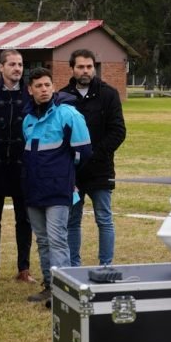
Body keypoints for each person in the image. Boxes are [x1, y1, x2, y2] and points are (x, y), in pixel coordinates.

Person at [23, 67, 92, 305]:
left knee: (57, 239)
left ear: (53, 87)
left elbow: (83, 153)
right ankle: (49, 285)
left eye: (47, 85)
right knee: (42, 240)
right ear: (30, 90)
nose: (44, 90)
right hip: (33, 191)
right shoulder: (28, 119)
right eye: (38, 86)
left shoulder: (68, 114)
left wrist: (66, 177)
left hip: (58, 190)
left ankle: (63, 290)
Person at [61, 49, 126, 268]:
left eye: (89, 66)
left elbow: (118, 131)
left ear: (94, 68)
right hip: (72, 172)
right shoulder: (62, 97)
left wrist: (94, 155)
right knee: (72, 221)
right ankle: (73, 267)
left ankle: (106, 266)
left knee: (104, 219)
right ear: (72, 68)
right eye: (80, 67)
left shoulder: (109, 94)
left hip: (101, 170)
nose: (85, 71)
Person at [0, 49, 35, 284]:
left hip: (23, 166)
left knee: (25, 219)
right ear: (1, 67)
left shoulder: (30, 93)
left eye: (20, 64)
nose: (17, 69)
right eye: (12, 64)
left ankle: (24, 268)